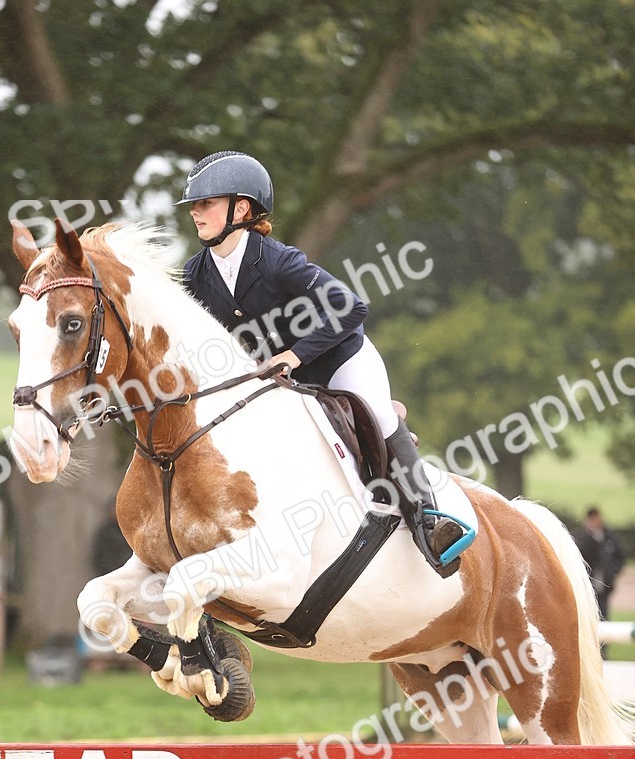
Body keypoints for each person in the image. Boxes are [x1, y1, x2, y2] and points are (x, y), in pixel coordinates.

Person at [177, 150, 465, 578]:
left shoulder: (278, 261)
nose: (196, 213)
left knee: (380, 416)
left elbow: (350, 308)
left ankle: (430, 523)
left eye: (207, 203)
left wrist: (294, 355)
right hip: (277, 383)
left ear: (241, 208)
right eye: (194, 205)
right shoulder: (195, 274)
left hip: (336, 360)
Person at [574, 507, 626, 621]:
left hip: (605, 583)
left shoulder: (609, 537)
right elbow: (578, 555)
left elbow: (620, 556)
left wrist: (612, 572)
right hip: (588, 582)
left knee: (604, 614)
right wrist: (589, 534)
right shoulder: (581, 537)